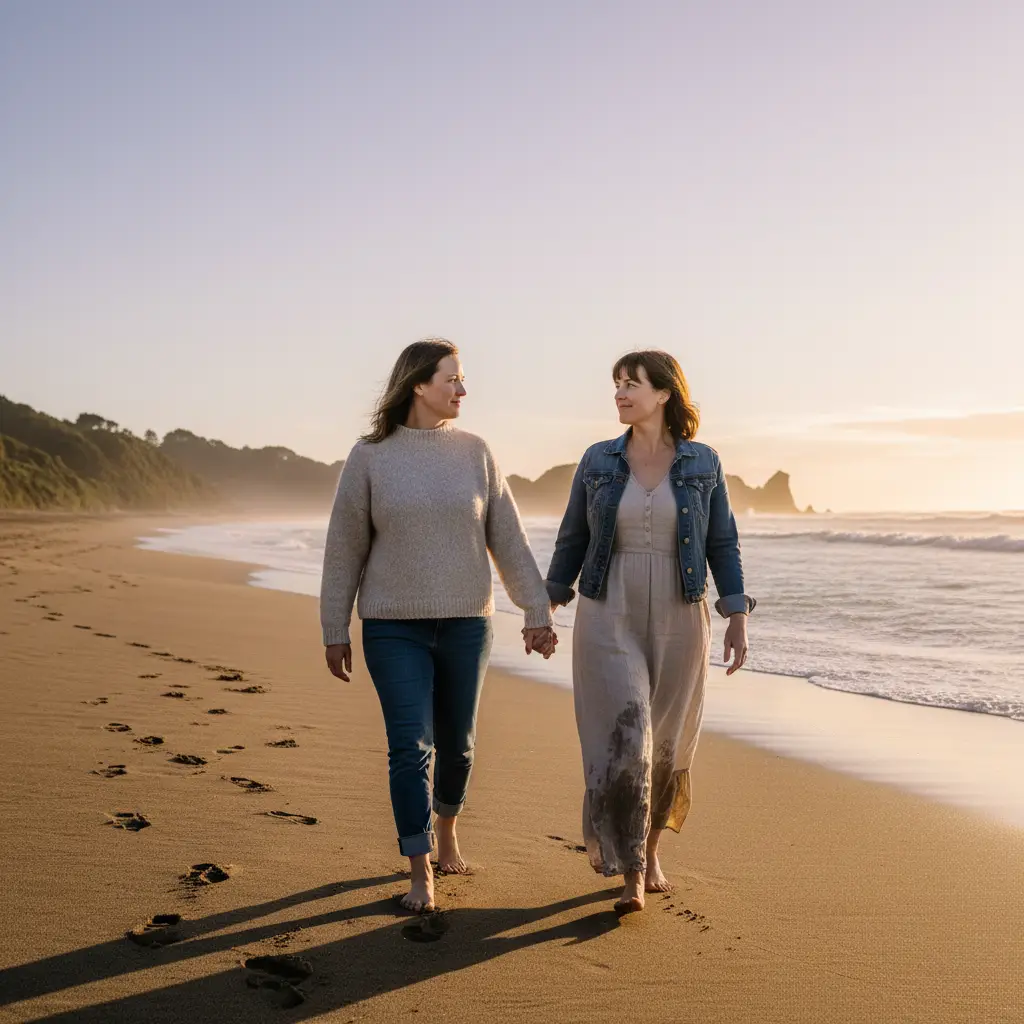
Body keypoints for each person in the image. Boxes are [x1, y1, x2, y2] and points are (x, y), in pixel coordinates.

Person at [321, 338, 557, 914]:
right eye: (452, 378)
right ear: (418, 385)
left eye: (461, 378)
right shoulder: (370, 456)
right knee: (409, 746)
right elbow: (344, 546)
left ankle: (447, 827)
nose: (462, 388)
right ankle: (419, 865)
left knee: (460, 747)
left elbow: (507, 538)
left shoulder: (476, 452)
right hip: (390, 624)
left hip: (465, 623)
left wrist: (536, 610)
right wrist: (334, 626)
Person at [546, 349, 754, 914]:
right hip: (607, 607)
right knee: (624, 736)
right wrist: (547, 604)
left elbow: (721, 543)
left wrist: (736, 613)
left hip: (680, 610)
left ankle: (650, 848)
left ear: (664, 393)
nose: (619, 392)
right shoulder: (597, 460)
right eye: (616, 383)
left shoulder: (702, 462)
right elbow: (572, 539)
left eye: (631, 383)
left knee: (665, 743)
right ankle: (631, 873)